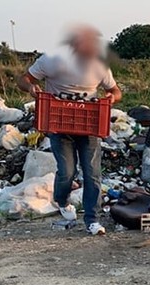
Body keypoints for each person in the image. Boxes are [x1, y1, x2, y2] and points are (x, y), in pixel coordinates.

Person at [17, 25, 122, 235]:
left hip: (89, 125)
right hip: (58, 124)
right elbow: (24, 79)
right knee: (67, 172)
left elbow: (115, 90)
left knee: (92, 175)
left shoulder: (99, 66)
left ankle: (92, 219)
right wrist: (30, 87)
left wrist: (112, 98)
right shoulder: (51, 61)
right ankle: (62, 200)